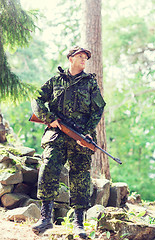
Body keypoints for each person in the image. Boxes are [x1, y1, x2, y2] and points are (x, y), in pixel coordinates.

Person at [31, 46, 106, 238]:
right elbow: (37, 99)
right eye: (80, 57)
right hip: (56, 135)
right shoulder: (56, 81)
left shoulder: (90, 83)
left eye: (85, 58)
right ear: (70, 59)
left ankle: (78, 224)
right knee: (48, 170)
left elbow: (98, 109)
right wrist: (48, 118)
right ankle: (45, 218)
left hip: (80, 137)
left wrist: (88, 133)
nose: (84, 60)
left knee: (80, 179)